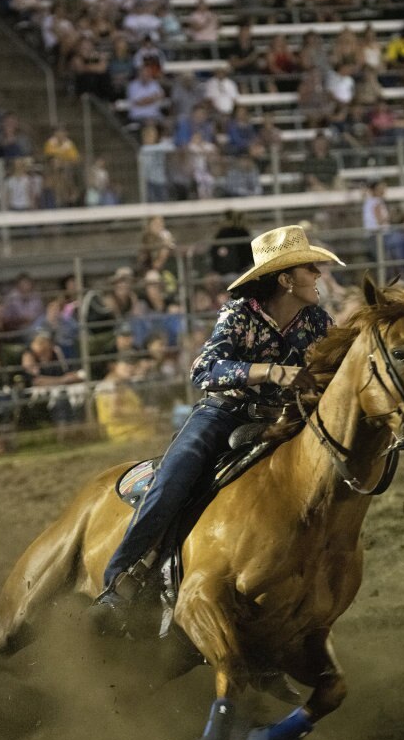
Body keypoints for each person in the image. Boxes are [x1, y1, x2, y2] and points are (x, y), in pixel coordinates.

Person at [93, 224, 345, 625]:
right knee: (173, 479)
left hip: (283, 420)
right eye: (310, 268)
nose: (318, 274)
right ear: (285, 279)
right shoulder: (239, 313)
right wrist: (272, 373)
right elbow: (204, 369)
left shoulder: (317, 321)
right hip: (222, 413)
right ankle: (117, 582)